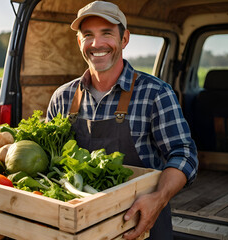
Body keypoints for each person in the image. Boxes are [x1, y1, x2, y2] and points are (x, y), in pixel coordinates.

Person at [46, 1, 198, 239]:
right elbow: (49, 162)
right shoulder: (62, 97)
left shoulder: (156, 93)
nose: (97, 44)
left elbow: (184, 154)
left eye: (106, 33)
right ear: (79, 42)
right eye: (88, 35)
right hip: (79, 227)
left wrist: (158, 199)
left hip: (142, 223)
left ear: (124, 39)